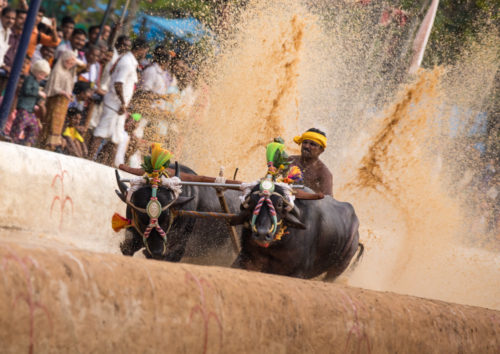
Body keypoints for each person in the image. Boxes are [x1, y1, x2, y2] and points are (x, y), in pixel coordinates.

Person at [89, 38, 149, 166]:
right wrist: (122, 102)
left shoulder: (129, 60)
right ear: (141, 50)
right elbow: (118, 83)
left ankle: (108, 166)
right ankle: (88, 160)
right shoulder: (127, 62)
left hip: (119, 107)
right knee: (100, 133)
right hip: (115, 105)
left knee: (116, 139)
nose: (145, 55)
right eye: (145, 52)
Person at [43, 50, 82, 150]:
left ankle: (53, 145)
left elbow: (83, 66)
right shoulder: (57, 71)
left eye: (71, 63)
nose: (69, 65)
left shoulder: (69, 73)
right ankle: (45, 143)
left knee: (58, 125)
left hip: (63, 104)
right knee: (51, 122)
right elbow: (54, 87)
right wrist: (64, 93)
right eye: (68, 62)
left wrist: (74, 60)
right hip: (55, 101)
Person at [9, 59, 51, 146]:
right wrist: (38, 93)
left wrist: (38, 102)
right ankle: (13, 140)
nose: (42, 77)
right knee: (20, 124)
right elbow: (27, 91)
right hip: (23, 107)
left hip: (30, 109)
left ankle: (27, 143)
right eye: (41, 74)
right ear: (35, 71)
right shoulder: (29, 79)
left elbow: (34, 96)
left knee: (34, 126)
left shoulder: (36, 82)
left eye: (44, 76)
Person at [289, 128, 333, 196]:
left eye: (312, 144)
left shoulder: (323, 173)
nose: (306, 146)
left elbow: (328, 201)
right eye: (305, 142)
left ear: (321, 150)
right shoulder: (290, 160)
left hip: (306, 205)